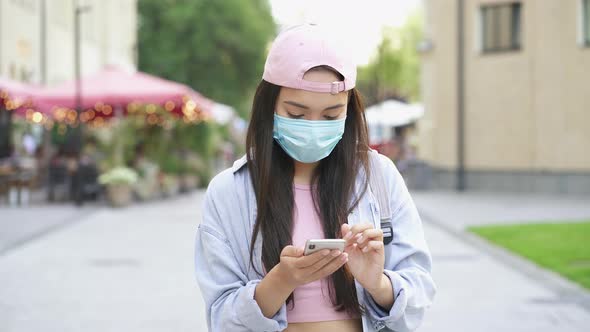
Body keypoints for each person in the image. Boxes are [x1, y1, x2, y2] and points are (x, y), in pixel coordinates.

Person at [194, 24, 436, 332]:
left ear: (349, 112)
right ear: (269, 106)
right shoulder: (229, 191)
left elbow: (420, 290)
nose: (313, 127)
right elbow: (221, 317)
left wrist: (378, 284)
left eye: (331, 115)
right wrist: (282, 280)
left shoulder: (380, 176)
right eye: (296, 114)